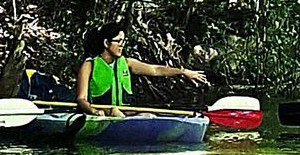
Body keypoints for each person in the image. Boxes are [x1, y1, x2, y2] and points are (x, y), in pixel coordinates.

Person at [76, 21, 207, 117]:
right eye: (119, 41)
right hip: (101, 114)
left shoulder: (127, 63)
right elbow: (81, 99)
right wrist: (94, 111)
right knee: (115, 111)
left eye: (124, 41)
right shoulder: (89, 65)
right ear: (106, 43)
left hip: (124, 113)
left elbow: (155, 70)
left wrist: (183, 72)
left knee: (149, 116)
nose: (122, 45)